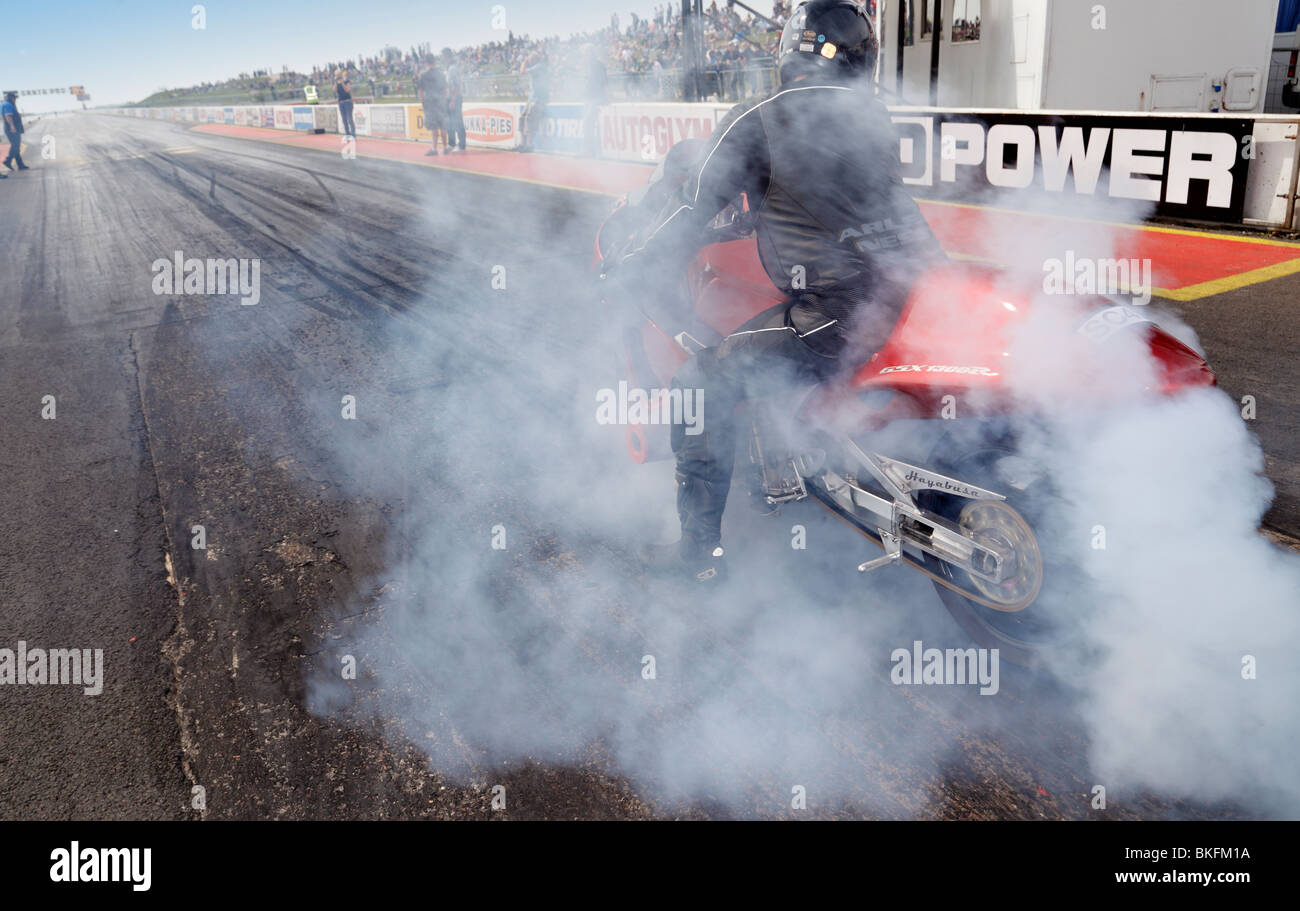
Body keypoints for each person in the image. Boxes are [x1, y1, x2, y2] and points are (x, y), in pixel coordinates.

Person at [613, 0, 942, 584]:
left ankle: (698, 558)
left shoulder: (760, 116)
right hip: (911, 293)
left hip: (837, 316)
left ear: (793, 47)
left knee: (698, 383)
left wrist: (642, 255)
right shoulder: (874, 117)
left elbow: (694, 206)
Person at [518, 51, 550, 153]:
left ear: (534, 60)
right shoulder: (537, 67)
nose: (529, 62)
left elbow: (522, 71)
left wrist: (524, 62)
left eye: (530, 60)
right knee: (522, 118)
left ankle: (529, 144)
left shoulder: (540, 66)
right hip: (532, 99)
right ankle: (523, 144)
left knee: (530, 120)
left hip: (538, 99)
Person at [417, 59, 448, 155]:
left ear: (426, 63)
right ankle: (445, 147)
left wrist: (422, 102)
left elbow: (421, 91)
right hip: (440, 102)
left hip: (430, 103)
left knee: (434, 127)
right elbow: (445, 90)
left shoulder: (423, 75)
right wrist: (445, 101)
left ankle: (434, 149)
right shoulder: (440, 74)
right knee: (443, 126)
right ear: (434, 62)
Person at [2, 91, 28, 172]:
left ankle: (20, 165)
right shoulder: (7, 104)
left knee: (16, 146)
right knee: (15, 146)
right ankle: (7, 161)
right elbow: (8, 116)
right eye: (15, 98)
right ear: (12, 98)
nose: (15, 100)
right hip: (11, 128)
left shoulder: (7, 104)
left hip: (11, 128)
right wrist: (12, 126)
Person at [445, 59, 466, 151]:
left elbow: (455, 85)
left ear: (447, 57)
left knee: (457, 121)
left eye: (443, 56)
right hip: (451, 98)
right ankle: (452, 143)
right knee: (449, 122)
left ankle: (461, 145)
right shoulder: (450, 68)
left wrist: (453, 100)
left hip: (455, 98)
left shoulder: (452, 69)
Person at [335, 74, 356, 139]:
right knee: (344, 119)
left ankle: (353, 134)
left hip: (347, 102)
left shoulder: (347, 82)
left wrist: (342, 83)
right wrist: (336, 82)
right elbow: (335, 90)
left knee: (349, 119)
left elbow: (347, 90)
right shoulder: (337, 83)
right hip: (341, 102)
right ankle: (347, 133)